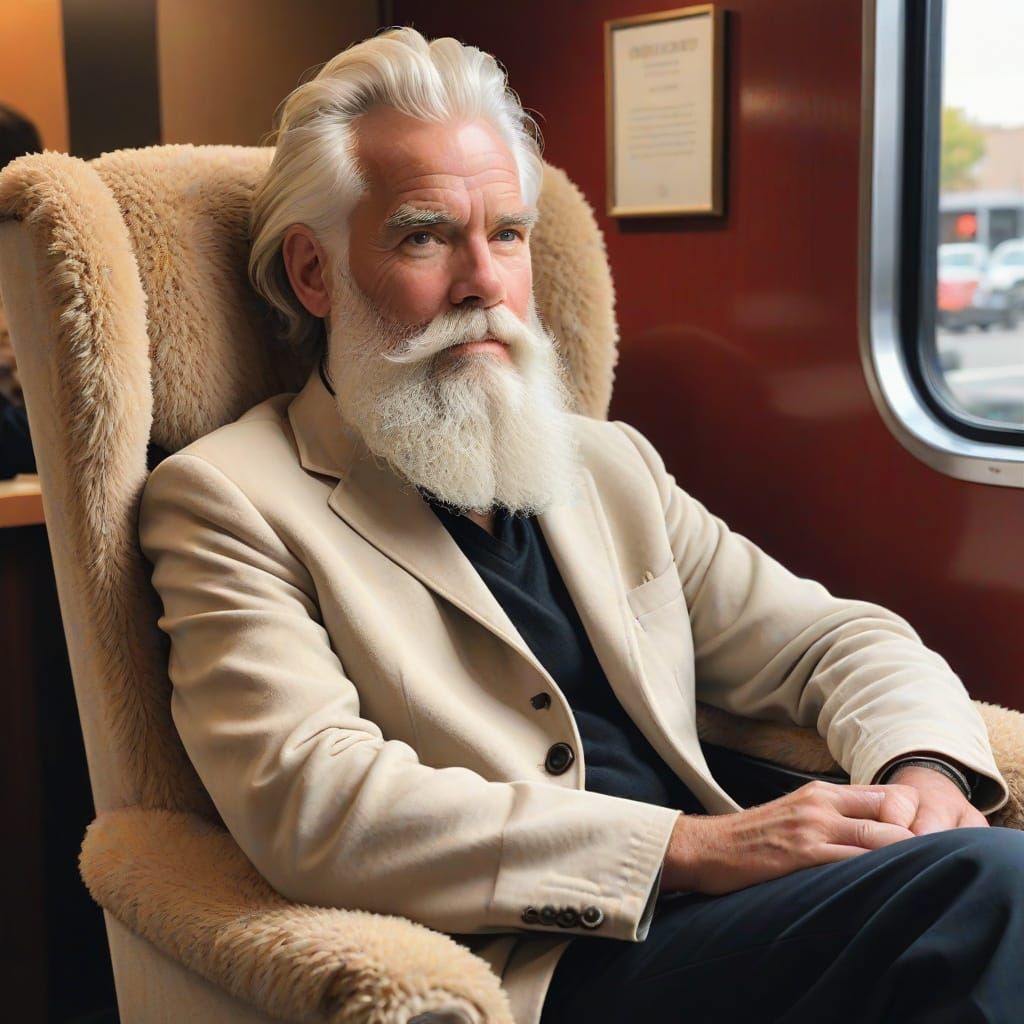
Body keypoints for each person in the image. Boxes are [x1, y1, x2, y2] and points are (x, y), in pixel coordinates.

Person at [138, 27, 1022, 1024]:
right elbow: (318, 802)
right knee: (990, 889)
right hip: (558, 960)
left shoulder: (605, 464)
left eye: (506, 232)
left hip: (734, 921)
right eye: (425, 235)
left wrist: (921, 772)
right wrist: (691, 849)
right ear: (313, 272)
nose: (484, 283)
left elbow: (835, 638)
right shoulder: (226, 498)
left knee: (980, 883)